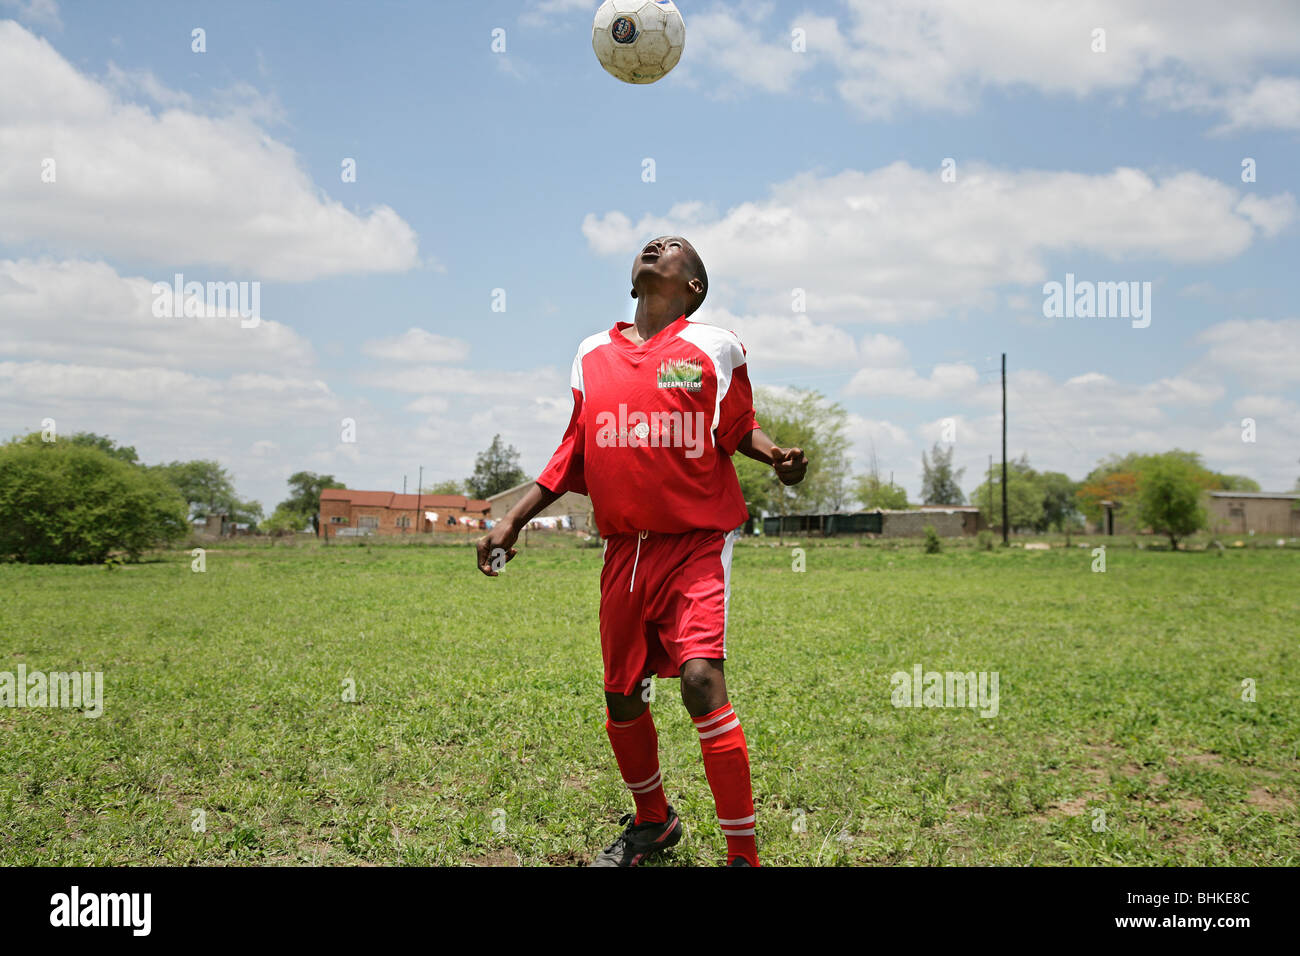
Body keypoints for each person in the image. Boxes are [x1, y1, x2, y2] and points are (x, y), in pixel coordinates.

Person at [476, 236, 808, 867]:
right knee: (622, 694)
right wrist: (512, 520)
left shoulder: (716, 347)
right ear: (634, 281)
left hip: (696, 540)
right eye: (651, 244)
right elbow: (574, 446)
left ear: (694, 288)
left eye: (676, 247)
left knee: (700, 679)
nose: (657, 245)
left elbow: (737, 424)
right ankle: (653, 822)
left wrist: (776, 457)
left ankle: (744, 856)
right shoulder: (590, 353)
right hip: (624, 550)